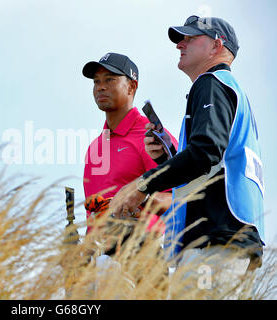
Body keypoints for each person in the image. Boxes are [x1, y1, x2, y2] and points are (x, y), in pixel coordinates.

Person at [110, 16, 265, 298]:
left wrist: (142, 184)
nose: (180, 43)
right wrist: (167, 157)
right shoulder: (229, 88)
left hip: (215, 243)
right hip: (230, 240)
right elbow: (213, 163)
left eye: (191, 38)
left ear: (217, 45)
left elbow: (205, 152)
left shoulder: (211, 83)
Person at [82, 52, 178, 250]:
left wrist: (141, 199)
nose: (100, 87)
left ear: (132, 86)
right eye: (96, 81)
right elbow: (92, 217)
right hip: (101, 262)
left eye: (110, 79)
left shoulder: (152, 136)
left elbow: (184, 197)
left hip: (144, 255)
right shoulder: (94, 148)